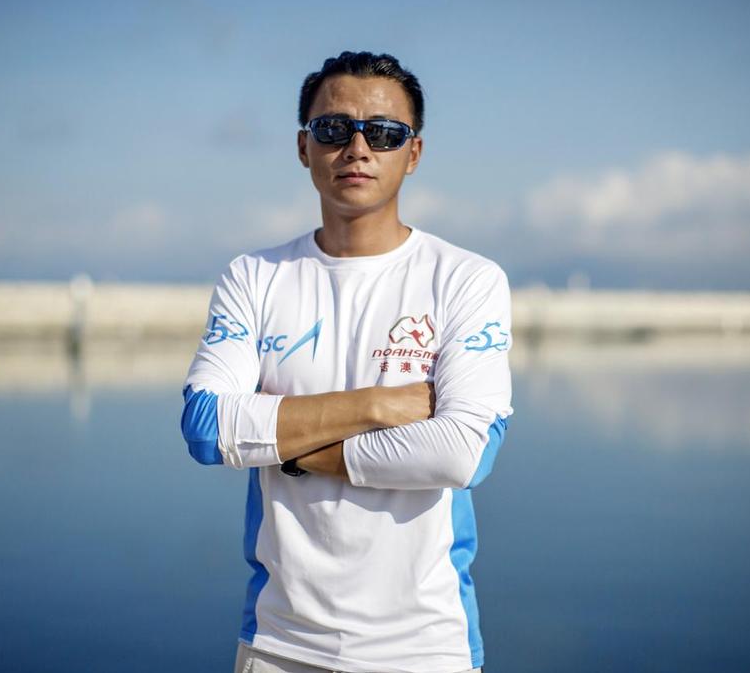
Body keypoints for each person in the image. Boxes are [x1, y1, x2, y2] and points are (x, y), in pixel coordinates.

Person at [180, 51, 513, 673]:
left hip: (426, 647)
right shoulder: (255, 277)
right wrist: (379, 405)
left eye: (383, 133)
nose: (358, 148)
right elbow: (206, 428)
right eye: (334, 128)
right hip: (279, 642)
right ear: (303, 146)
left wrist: (290, 449)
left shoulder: (466, 279)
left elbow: (462, 453)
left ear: (413, 153)